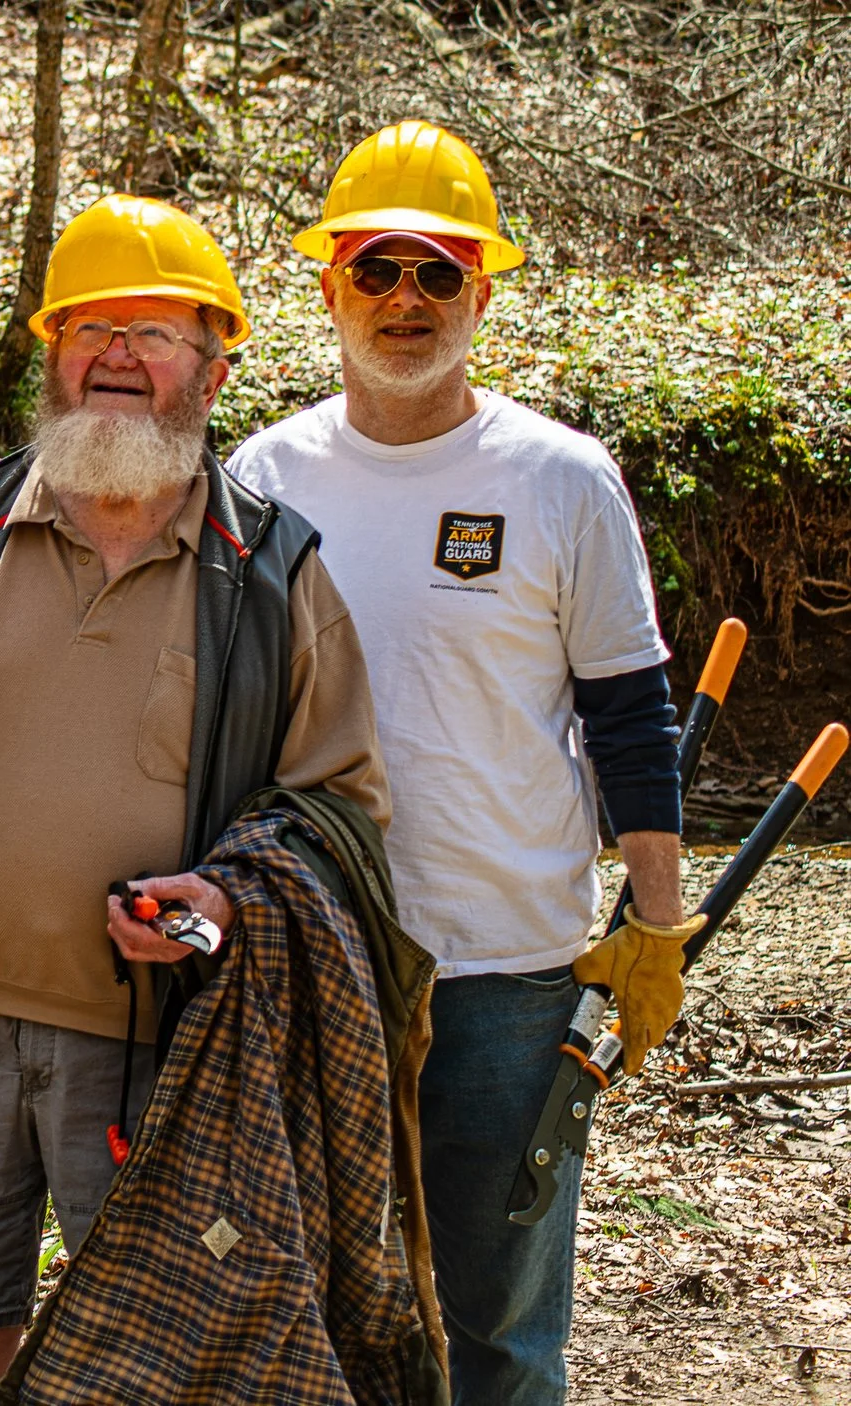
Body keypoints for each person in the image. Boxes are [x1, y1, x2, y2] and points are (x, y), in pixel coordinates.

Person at [0, 194, 389, 1405]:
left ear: (214, 368)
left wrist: (224, 895)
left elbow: (342, 813)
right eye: (90, 326)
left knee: (171, 1360)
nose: (117, 353)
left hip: (169, 1047)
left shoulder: (271, 570)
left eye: (154, 332)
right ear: (51, 353)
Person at [227, 119, 685, 1406]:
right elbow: (221, 724)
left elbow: (630, 716)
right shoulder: (265, 478)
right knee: (330, 1320)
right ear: (329, 287)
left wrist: (655, 924)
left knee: (499, 1330)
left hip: (510, 970)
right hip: (325, 968)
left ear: (481, 290)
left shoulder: (560, 478)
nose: (407, 298)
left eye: (439, 272)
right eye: (378, 266)